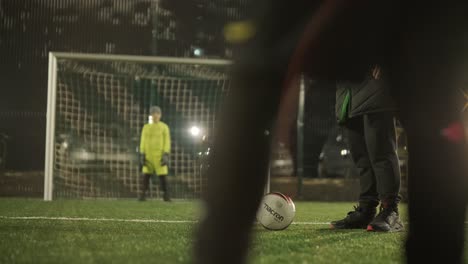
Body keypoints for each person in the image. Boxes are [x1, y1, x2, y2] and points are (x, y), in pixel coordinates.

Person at [193, 1, 468, 264]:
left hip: (403, 32)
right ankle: (367, 208)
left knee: (430, 116)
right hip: (352, 87)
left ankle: (390, 211)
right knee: (365, 146)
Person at [331, 65, 403, 232]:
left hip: (373, 81)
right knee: (361, 156)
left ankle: (390, 211)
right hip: (348, 90)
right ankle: (366, 210)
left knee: (381, 152)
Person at [139, 106, 171, 202]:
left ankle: (166, 196)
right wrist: (142, 153)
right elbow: (143, 140)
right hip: (148, 156)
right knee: (146, 176)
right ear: (151, 115)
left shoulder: (164, 127)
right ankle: (143, 195)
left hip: (159, 156)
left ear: (160, 115)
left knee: (163, 177)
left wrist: (165, 153)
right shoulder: (146, 127)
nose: (155, 115)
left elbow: (167, 141)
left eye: (157, 113)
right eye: (153, 113)